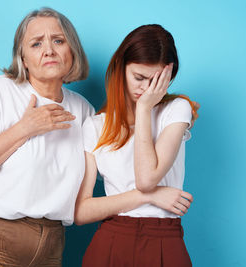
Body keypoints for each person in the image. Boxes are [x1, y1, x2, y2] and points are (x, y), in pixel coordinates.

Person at [0, 7, 94, 266]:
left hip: (50, 245)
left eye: (58, 41)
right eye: (36, 44)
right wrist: (26, 128)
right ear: (23, 59)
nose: (49, 50)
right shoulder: (0, 91)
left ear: (72, 51)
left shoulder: (83, 110)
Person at [74, 24, 197, 267]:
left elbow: (146, 178)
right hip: (111, 241)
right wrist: (152, 197)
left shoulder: (176, 110)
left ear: (168, 78)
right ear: (121, 69)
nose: (146, 90)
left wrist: (143, 109)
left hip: (165, 239)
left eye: (156, 81)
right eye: (139, 78)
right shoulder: (95, 126)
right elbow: (81, 212)